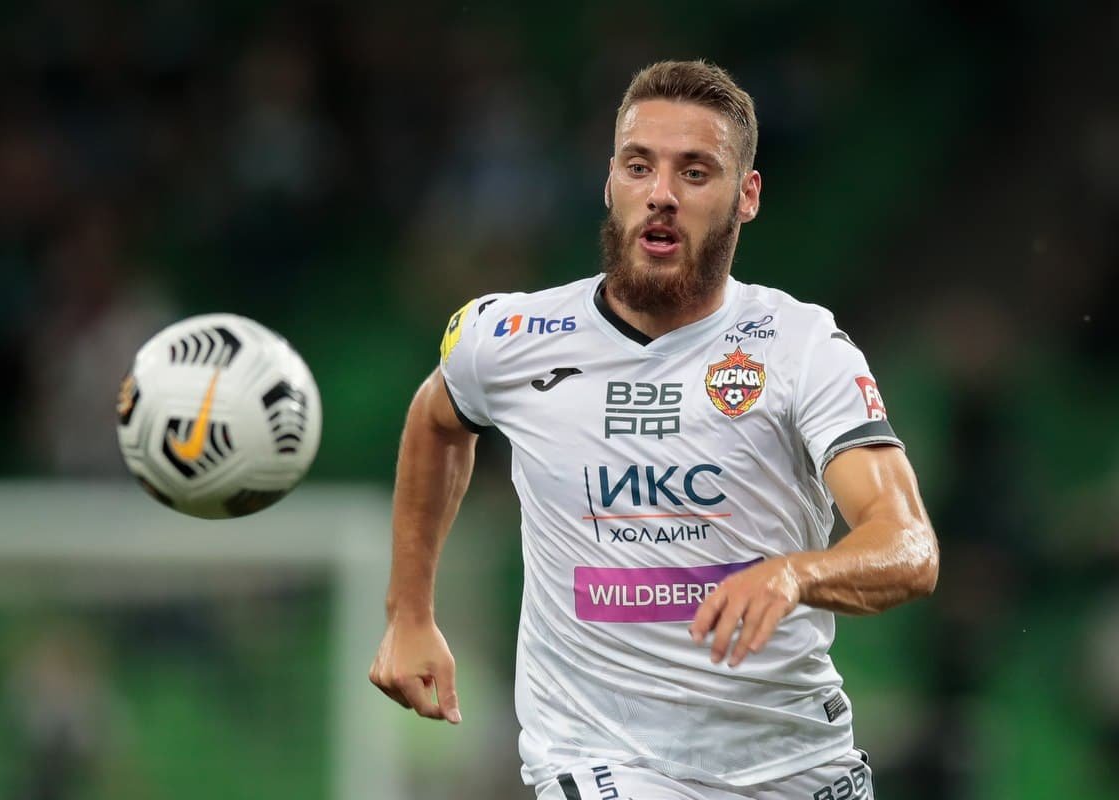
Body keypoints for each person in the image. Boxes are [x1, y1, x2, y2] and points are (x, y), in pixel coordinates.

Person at [370, 59, 939, 800]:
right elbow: (437, 418)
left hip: (795, 764)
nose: (661, 194)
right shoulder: (510, 338)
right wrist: (409, 612)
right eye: (639, 167)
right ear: (611, 183)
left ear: (747, 196)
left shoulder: (801, 349)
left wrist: (796, 573)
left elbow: (908, 547)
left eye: (695, 173)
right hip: (601, 759)